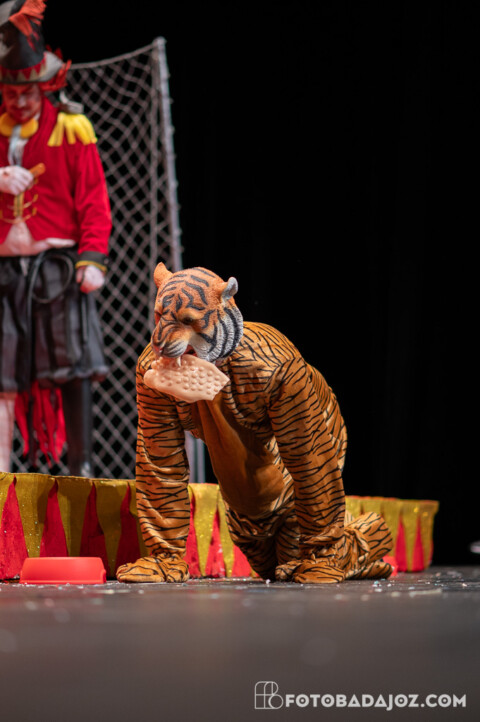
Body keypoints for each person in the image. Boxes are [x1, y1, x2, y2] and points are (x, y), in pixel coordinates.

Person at [0, 0, 111, 476]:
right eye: (9, 93)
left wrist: (92, 257)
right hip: (5, 273)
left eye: (25, 92)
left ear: (42, 87)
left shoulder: (71, 128)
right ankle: (4, 469)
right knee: (4, 373)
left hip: (56, 268)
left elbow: (94, 200)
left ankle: (80, 466)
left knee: (72, 365)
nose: (18, 102)